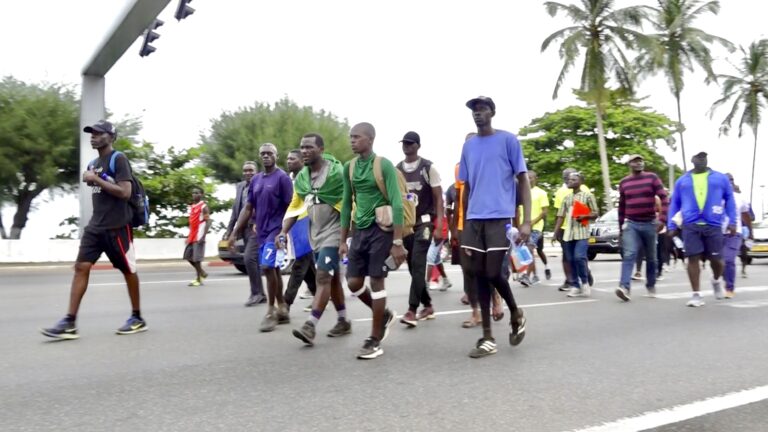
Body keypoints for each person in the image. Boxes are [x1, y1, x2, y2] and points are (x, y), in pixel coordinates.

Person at [41, 120, 147, 339]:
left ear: (111, 136)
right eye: (91, 133)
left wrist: (96, 178)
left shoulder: (119, 159)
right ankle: (69, 322)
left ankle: (137, 317)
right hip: (96, 227)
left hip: (117, 226)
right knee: (81, 267)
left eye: (99, 133)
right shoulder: (93, 163)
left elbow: (125, 192)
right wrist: (93, 177)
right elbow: (100, 186)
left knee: (129, 270)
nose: (93, 136)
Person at [458, 96, 529, 358]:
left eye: (482, 109)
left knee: (492, 273)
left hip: (500, 217)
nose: (478, 114)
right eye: (474, 111)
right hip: (474, 219)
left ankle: (515, 312)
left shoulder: (508, 140)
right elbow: (466, 188)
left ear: (492, 112)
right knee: (476, 273)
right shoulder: (468, 147)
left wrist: (526, 221)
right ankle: (487, 337)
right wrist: (465, 222)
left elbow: (523, 180)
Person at [279, 134, 353, 346]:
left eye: (309, 147)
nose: (304, 151)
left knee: (322, 277)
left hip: (334, 233)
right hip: (315, 236)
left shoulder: (336, 173)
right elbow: (295, 206)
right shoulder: (302, 177)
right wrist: (283, 232)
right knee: (332, 279)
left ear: (321, 149)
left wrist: (346, 237)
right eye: (302, 147)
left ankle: (310, 325)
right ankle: (343, 321)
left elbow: (349, 202)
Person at [339, 122, 400, 359]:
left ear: (370, 139)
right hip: (360, 231)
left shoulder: (383, 165)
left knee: (376, 282)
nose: (352, 140)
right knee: (353, 282)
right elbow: (346, 204)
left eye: (357, 137)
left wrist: (397, 241)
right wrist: (344, 239)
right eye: (350, 137)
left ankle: (374, 339)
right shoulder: (349, 167)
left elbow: (396, 202)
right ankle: (383, 314)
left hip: (381, 230)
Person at [229, 143, 294, 330]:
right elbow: (248, 208)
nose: (266, 156)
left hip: (276, 231)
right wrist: (234, 233)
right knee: (272, 269)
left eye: (269, 153)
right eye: (263, 154)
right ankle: (282, 307)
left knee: (266, 266)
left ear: (276, 156)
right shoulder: (256, 180)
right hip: (261, 232)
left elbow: (291, 207)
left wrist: (283, 232)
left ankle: (271, 311)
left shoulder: (282, 178)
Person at [667, 152, 737, 307]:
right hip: (690, 225)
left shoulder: (720, 178)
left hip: (714, 224)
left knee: (717, 260)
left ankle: (716, 280)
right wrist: (671, 225)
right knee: (692, 259)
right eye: (698, 158)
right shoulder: (682, 181)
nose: (701, 160)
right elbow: (674, 204)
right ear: (692, 161)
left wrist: (733, 221)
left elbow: (730, 200)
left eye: (704, 157)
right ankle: (696, 295)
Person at [396, 131, 444, 327]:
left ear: (417, 146)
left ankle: (411, 310)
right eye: (404, 143)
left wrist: (439, 224)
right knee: (412, 267)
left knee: (418, 263)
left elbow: (438, 198)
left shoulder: (428, 168)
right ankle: (428, 304)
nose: (406, 146)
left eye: (410, 143)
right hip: (406, 224)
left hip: (424, 222)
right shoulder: (397, 169)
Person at [615, 154, 668, 301]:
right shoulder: (624, 182)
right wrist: (620, 229)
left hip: (650, 223)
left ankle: (651, 284)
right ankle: (624, 287)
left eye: (641, 161)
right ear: (629, 164)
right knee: (629, 254)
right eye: (635, 161)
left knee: (651, 258)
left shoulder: (652, 178)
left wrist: (663, 219)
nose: (639, 163)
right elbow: (622, 206)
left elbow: (664, 198)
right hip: (631, 224)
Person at [226, 161, 267, 307]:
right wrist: (230, 231)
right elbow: (235, 210)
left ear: (256, 172)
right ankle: (260, 294)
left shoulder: (261, 185)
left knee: (249, 258)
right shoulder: (240, 187)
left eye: (251, 170)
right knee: (252, 261)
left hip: (257, 228)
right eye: (245, 170)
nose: (248, 173)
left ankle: (256, 293)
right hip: (244, 229)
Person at [282, 149, 318, 310]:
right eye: (288, 158)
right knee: (307, 263)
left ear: (301, 162)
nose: (289, 161)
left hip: (306, 221)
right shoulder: (288, 179)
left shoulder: (308, 177)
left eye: (293, 159)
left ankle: (286, 302)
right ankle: (320, 294)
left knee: (301, 261)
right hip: (294, 224)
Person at [553, 172, 599, 297]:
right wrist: (555, 232)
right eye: (569, 180)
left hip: (582, 232)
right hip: (568, 233)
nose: (570, 181)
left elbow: (595, 213)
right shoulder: (566, 198)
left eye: (574, 179)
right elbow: (560, 216)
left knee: (579, 257)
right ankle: (575, 285)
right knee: (570, 259)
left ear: (581, 182)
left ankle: (585, 282)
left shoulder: (588, 196)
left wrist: (585, 216)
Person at [722, 173, 753, 298]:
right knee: (719, 262)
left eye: (731, 180)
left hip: (734, 233)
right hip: (716, 233)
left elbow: (746, 216)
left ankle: (730, 287)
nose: (729, 183)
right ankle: (722, 279)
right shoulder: (714, 196)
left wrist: (751, 232)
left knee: (729, 260)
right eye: (726, 180)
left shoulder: (740, 198)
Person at [518, 170, 549, 287]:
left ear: (536, 179)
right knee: (524, 252)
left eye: (531, 177)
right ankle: (534, 275)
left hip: (536, 227)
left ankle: (526, 276)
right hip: (522, 227)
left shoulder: (541, 193)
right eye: (527, 177)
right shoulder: (521, 192)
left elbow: (545, 211)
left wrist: (531, 222)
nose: (529, 179)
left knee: (530, 249)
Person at [184, 186, 211, 286]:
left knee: (197, 259)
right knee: (188, 256)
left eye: (197, 193)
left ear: (201, 194)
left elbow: (208, 221)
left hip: (199, 236)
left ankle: (199, 279)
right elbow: (192, 222)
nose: (194, 194)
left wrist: (203, 236)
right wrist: (188, 235)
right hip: (192, 235)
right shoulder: (192, 206)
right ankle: (202, 272)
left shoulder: (204, 206)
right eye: (193, 193)